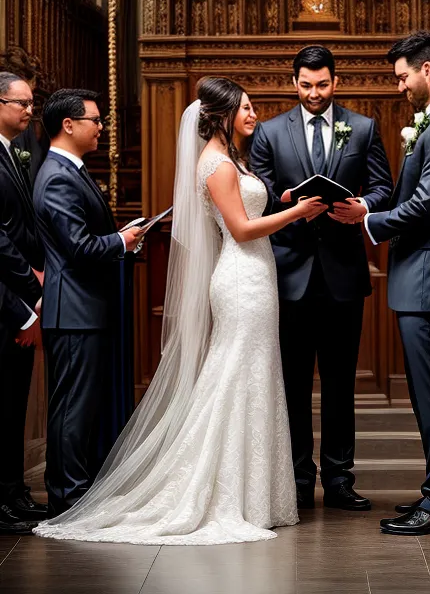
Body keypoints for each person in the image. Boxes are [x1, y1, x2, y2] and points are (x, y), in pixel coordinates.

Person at [34, 77, 327, 544]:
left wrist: (286, 200)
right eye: (246, 108)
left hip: (256, 277)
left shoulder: (229, 161)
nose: (254, 115)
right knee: (235, 374)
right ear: (224, 115)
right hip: (242, 277)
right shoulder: (219, 165)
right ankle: (220, 490)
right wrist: (296, 213)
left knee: (254, 374)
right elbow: (243, 229)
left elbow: (247, 209)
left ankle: (256, 494)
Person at [338, 31, 430, 536]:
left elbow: (426, 206)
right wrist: (369, 207)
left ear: (427, 70)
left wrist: (368, 224)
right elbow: (413, 194)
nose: (399, 87)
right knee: (429, 395)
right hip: (425, 276)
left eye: (402, 77)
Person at [249, 45, 392, 511]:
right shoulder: (269, 132)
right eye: (307, 85)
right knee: (291, 384)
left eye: (323, 84)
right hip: (289, 275)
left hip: (343, 276)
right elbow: (261, 195)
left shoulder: (364, 127)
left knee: (339, 383)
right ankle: (294, 479)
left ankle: (339, 479)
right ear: (294, 83)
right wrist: (288, 202)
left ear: (335, 81)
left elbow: (385, 187)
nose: (315, 93)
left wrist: (362, 207)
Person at [31, 90, 144, 517]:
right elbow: (77, 247)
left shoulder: (70, 169)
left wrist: (120, 238)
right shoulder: (59, 174)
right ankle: (68, 496)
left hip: (81, 308)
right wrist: (122, 239)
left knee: (78, 405)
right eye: (95, 120)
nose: (102, 127)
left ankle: (74, 490)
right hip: (74, 309)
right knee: (73, 408)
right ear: (68, 125)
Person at [0, 72, 48, 529]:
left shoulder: (20, 149)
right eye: (22, 103)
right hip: (5, 296)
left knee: (13, 402)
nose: (30, 110)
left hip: (18, 294)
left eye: (32, 103)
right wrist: (31, 284)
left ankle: (13, 492)